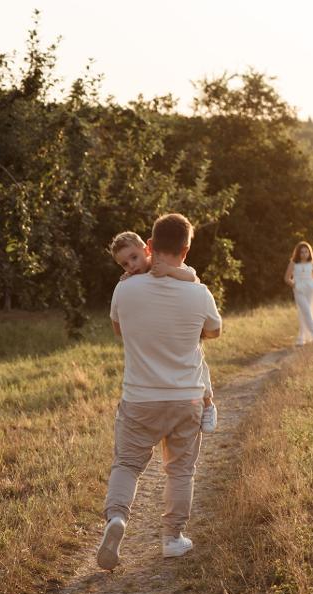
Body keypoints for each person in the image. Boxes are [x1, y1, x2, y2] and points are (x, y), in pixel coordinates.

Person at [98, 214, 222, 569]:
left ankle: (117, 518)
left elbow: (119, 331)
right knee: (181, 471)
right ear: (186, 249)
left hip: (140, 399)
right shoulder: (198, 292)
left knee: (127, 464)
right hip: (186, 398)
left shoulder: (124, 289)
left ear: (149, 247)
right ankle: (172, 538)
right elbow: (213, 332)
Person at [109, 231, 218, 433]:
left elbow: (192, 277)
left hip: (183, 332)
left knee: (198, 364)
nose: (131, 266)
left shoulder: (162, 266)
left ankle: (209, 404)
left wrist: (170, 271)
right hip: (159, 336)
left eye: (134, 257)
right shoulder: (130, 281)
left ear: (147, 250)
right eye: (125, 264)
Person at [284, 241, 313, 345]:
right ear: (298, 253)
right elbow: (286, 278)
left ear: (309, 253)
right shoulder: (293, 263)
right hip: (299, 290)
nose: (304, 254)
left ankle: (301, 338)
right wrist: (295, 286)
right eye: (302, 252)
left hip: (310, 289)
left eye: (306, 252)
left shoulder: (312, 264)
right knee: (306, 311)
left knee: (307, 312)